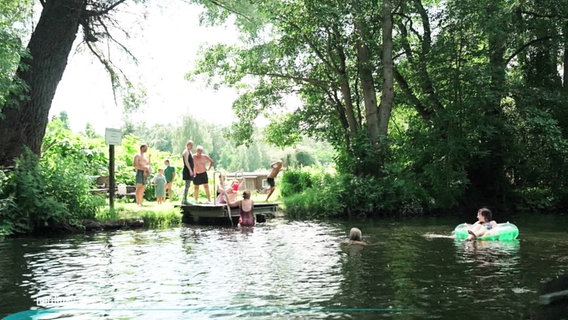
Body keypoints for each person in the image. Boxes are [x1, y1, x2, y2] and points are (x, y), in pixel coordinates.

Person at [181, 140, 195, 205]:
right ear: (188, 145)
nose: (192, 147)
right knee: (187, 185)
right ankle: (184, 199)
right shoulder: (186, 152)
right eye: (191, 145)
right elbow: (186, 162)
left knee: (188, 185)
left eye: (192, 145)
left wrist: (193, 170)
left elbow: (192, 162)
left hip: (190, 169)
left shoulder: (190, 152)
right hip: (187, 170)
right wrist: (190, 170)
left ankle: (185, 198)